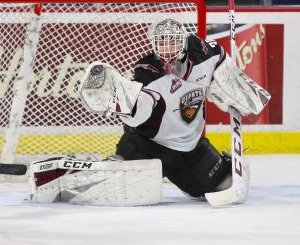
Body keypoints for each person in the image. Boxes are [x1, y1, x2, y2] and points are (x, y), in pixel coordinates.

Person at [78, 18, 265, 199]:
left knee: (225, 183)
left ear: (184, 43)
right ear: (154, 45)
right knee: (115, 188)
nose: (167, 50)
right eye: (162, 43)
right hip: (149, 146)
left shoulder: (203, 52)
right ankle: (89, 169)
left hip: (191, 149)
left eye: (172, 42)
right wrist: (122, 102)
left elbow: (219, 60)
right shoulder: (148, 72)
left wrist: (228, 82)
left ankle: (192, 174)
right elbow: (139, 109)